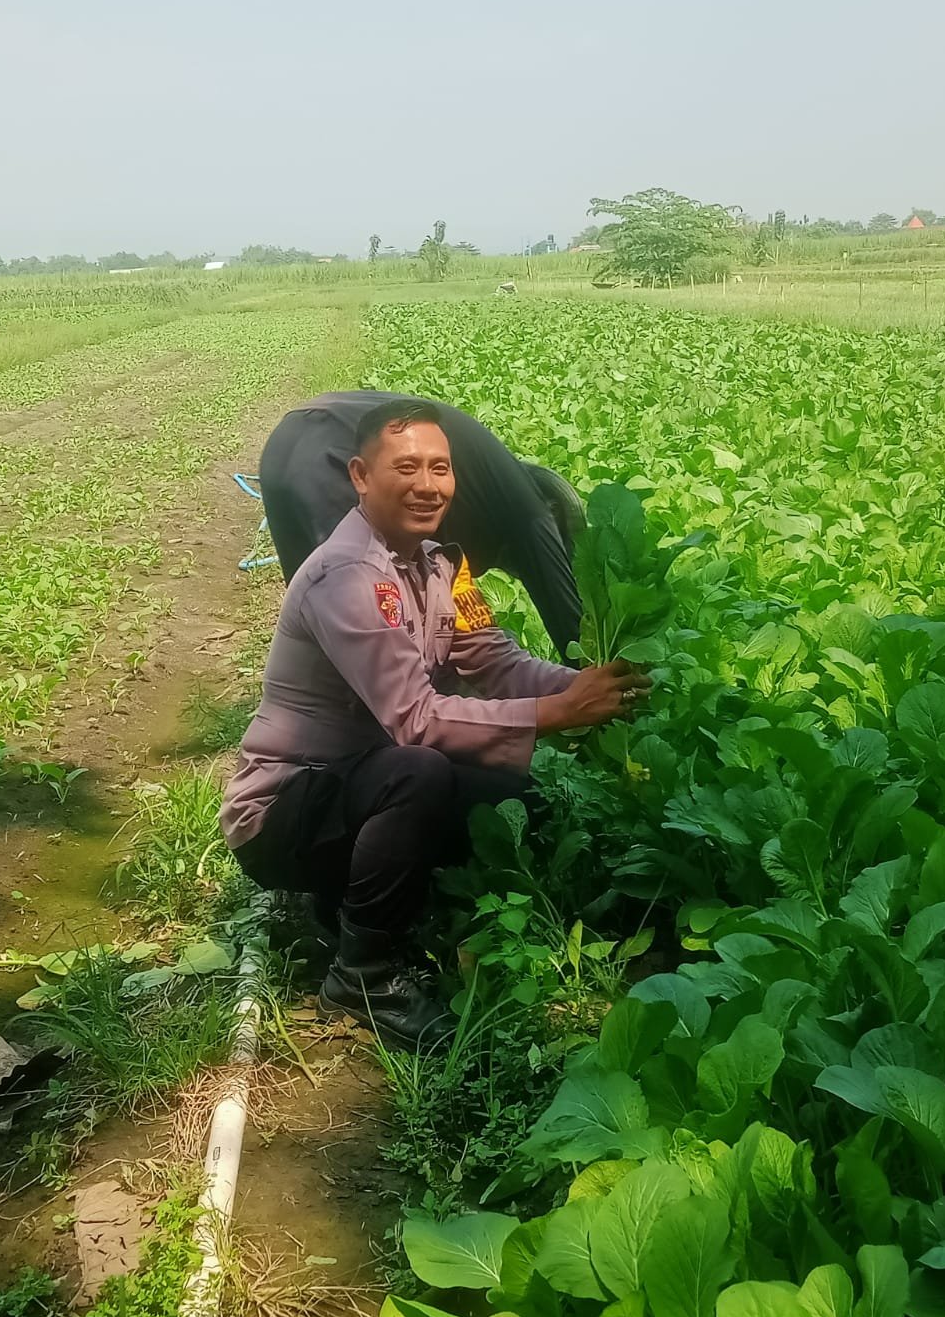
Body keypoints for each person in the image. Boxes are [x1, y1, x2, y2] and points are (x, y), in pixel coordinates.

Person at [221, 399, 648, 1052]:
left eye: (440, 468)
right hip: (285, 809)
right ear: (361, 477)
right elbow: (416, 721)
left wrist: (589, 690)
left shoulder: (444, 566)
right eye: (407, 467)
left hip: (355, 787)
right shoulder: (349, 576)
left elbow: (495, 660)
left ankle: (349, 904)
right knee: (419, 771)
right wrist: (556, 714)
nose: (428, 484)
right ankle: (363, 974)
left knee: (516, 801)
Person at [257, 390, 583, 658]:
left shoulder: (481, 486)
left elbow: (462, 611)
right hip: (326, 457)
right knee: (368, 628)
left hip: (283, 446)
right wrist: (587, 697)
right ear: (553, 513)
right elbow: (574, 627)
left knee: (318, 617)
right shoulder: (531, 509)